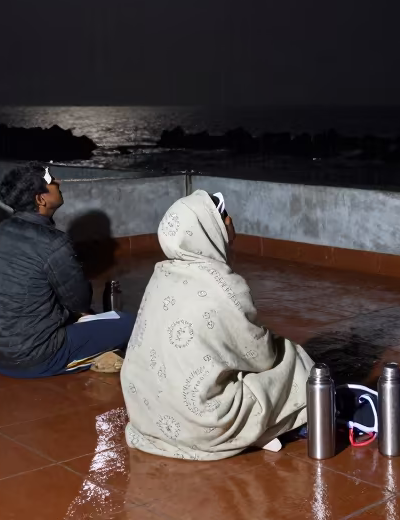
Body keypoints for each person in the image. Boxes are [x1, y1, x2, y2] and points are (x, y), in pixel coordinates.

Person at [121, 190, 314, 460]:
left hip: (147, 414)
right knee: (292, 359)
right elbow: (262, 358)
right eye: (222, 215)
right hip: (203, 424)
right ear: (207, 228)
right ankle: (262, 429)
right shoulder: (226, 288)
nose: (230, 219)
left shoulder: (161, 275)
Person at [0, 162, 135, 377]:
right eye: (51, 181)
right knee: (129, 323)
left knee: (80, 316)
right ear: (40, 199)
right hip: (34, 358)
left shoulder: (2, 229)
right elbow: (79, 301)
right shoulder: (53, 242)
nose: (58, 182)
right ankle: (93, 354)